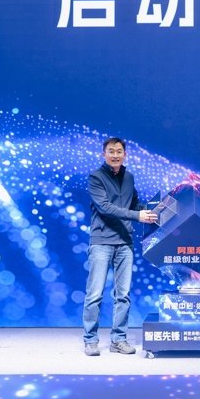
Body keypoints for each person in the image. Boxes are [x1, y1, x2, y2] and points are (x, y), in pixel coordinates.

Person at [83, 137, 157, 356]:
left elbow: (134, 204)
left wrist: (156, 209)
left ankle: (119, 339)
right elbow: (105, 207)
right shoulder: (96, 177)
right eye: (111, 151)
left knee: (123, 295)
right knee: (94, 294)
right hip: (102, 241)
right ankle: (90, 340)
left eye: (119, 151)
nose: (115, 155)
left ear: (125, 154)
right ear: (104, 154)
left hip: (125, 242)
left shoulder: (129, 177)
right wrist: (137, 216)